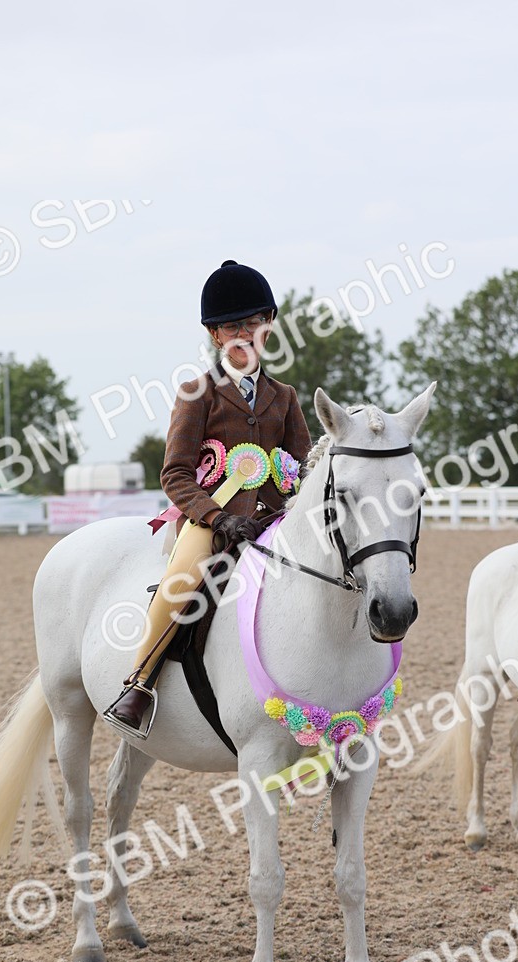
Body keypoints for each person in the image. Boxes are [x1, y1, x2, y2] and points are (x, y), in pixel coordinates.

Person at [104, 259, 312, 736]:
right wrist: (217, 518)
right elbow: (175, 473)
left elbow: (300, 469)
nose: (245, 334)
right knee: (182, 579)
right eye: (232, 326)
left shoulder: (285, 397)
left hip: (271, 523)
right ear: (216, 335)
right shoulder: (198, 394)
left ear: (269, 327)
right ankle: (139, 684)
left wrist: (282, 510)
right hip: (209, 524)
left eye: (254, 323)